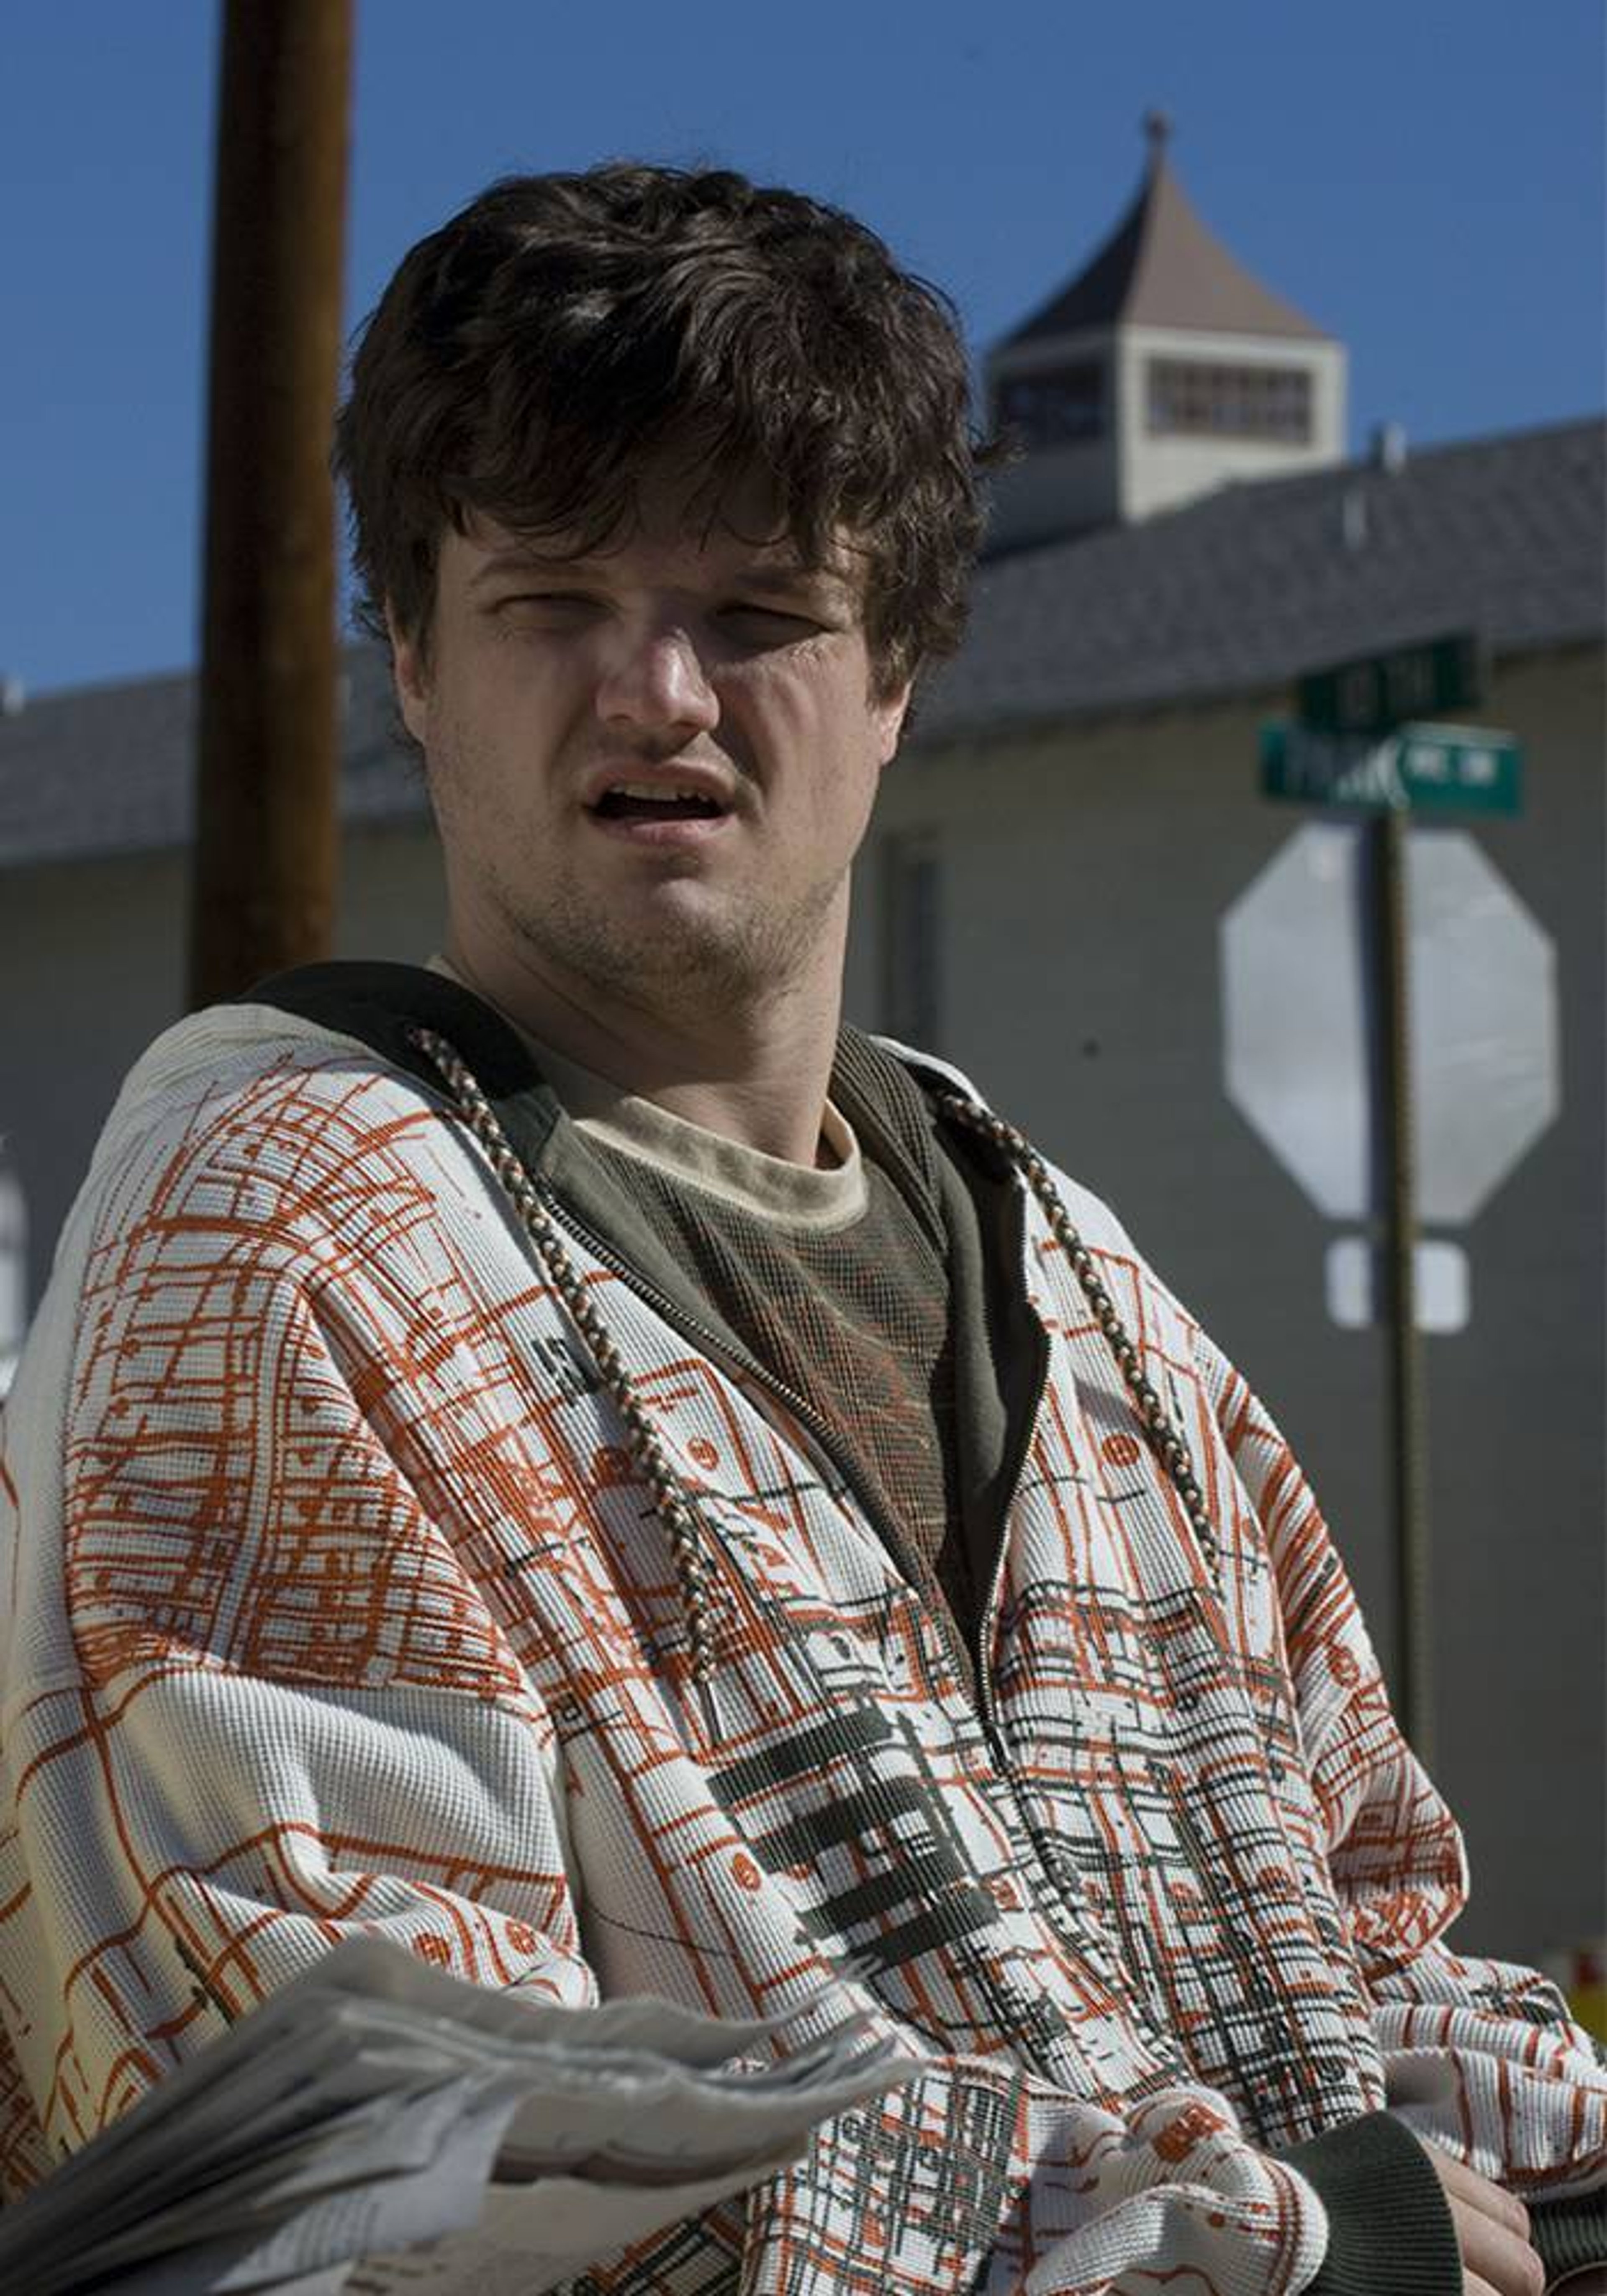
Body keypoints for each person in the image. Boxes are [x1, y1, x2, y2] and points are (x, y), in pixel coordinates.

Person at [0, 162, 1601, 2296]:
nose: (657, 691)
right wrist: (1266, 2250)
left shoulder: (1055, 1261)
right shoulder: (287, 1236)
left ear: (901, 674)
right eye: (551, 598)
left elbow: (1358, 1928)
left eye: (758, 612)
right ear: (408, 653)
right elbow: (382, 2163)